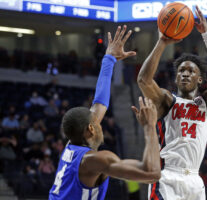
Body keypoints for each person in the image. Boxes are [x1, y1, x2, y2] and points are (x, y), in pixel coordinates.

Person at [49, 26, 161, 200]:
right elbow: (152, 173)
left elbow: (99, 104)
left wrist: (109, 59)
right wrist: (150, 127)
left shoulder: (72, 145)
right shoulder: (95, 160)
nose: (100, 121)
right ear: (91, 129)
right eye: (97, 122)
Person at [137, 6, 207, 200]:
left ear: (200, 79)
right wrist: (161, 42)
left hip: (194, 180)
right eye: (181, 70)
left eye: (191, 71)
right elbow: (143, 80)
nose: (185, 73)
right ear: (176, 77)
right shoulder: (166, 100)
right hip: (167, 176)